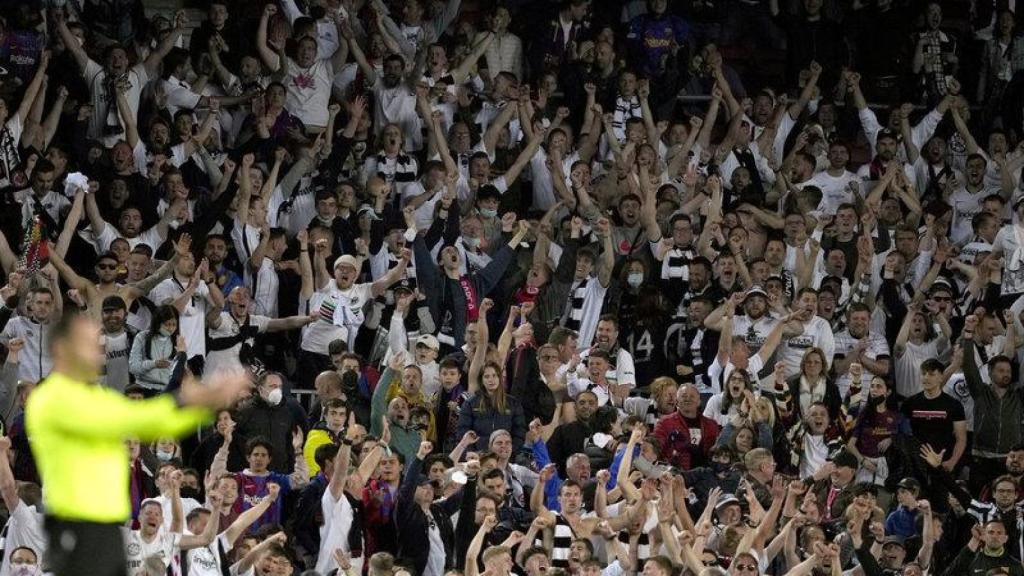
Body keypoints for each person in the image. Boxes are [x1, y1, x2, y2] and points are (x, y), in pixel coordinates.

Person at [26, 311, 246, 576]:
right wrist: (193, 399)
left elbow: (154, 423)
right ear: (62, 349)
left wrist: (206, 402)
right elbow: (134, 418)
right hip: (76, 527)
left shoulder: (94, 395)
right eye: (87, 342)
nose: (98, 349)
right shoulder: (51, 398)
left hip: (106, 528)